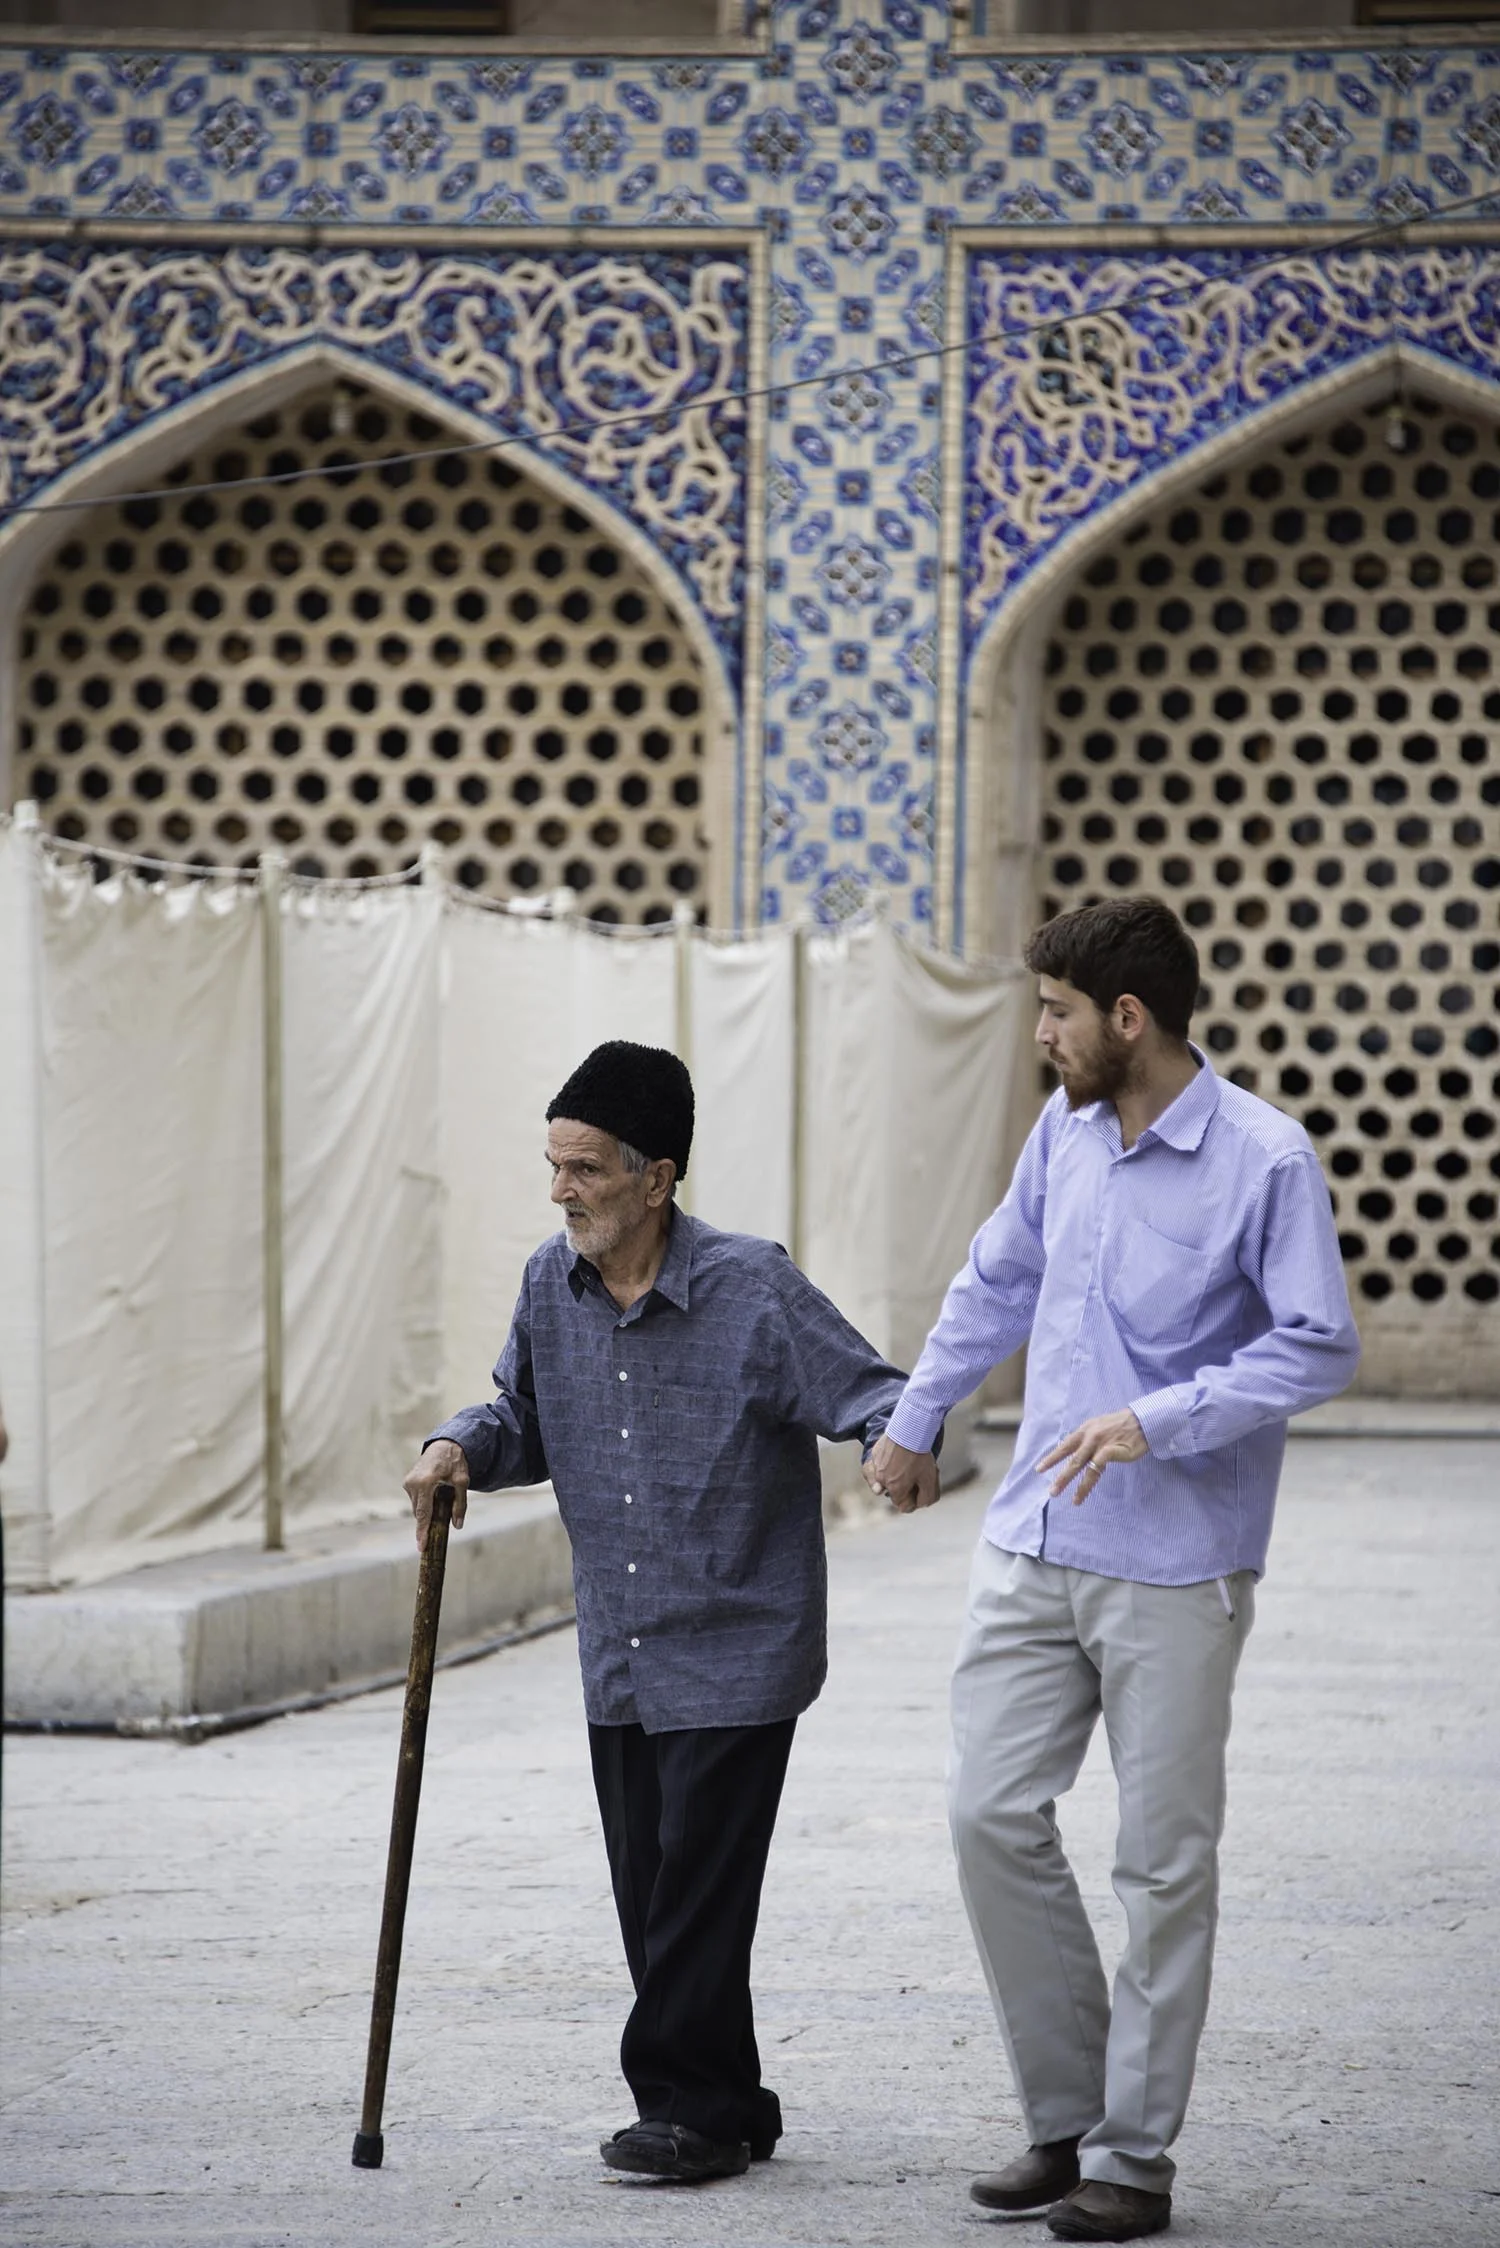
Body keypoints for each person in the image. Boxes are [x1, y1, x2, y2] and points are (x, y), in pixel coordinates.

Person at [867, 896, 1359, 2244]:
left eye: (1058, 1015)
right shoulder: (1064, 1134)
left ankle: (1131, 2160)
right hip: (1032, 1540)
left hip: (1175, 1564)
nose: (1042, 1038)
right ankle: (1064, 2117)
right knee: (987, 1816)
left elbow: (1321, 1343)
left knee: (1161, 1867)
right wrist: (920, 1417)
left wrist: (1167, 1417)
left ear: (1126, 1018)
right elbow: (996, 1278)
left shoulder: (1266, 1159)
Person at [403, 1039, 938, 2184]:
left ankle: (684, 2112)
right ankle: (736, 2099)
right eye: (554, 1166)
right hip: (626, 1650)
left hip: (743, 1640)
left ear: (658, 1175)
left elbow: (872, 1390)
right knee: (655, 1890)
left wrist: (901, 1441)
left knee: (694, 1883)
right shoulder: (552, 1286)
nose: (562, 1192)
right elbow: (520, 1415)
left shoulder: (754, 1286)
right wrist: (458, 1445)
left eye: (586, 1168)